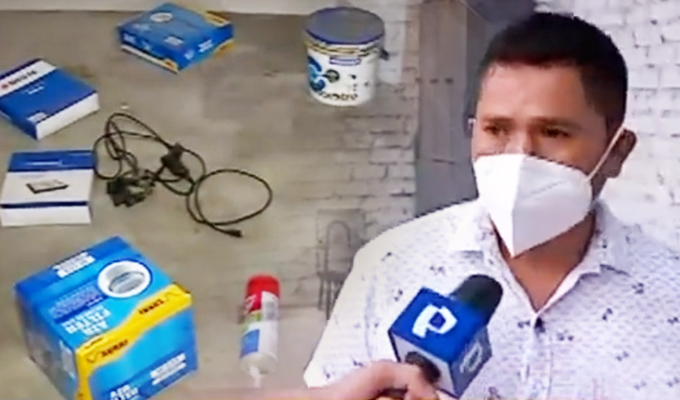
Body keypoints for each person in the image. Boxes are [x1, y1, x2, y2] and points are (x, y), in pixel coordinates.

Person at [184, 11, 680, 400]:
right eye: (496, 129)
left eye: (553, 132)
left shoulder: (669, 294)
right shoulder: (389, 265)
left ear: (617, 151)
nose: (518, 158)